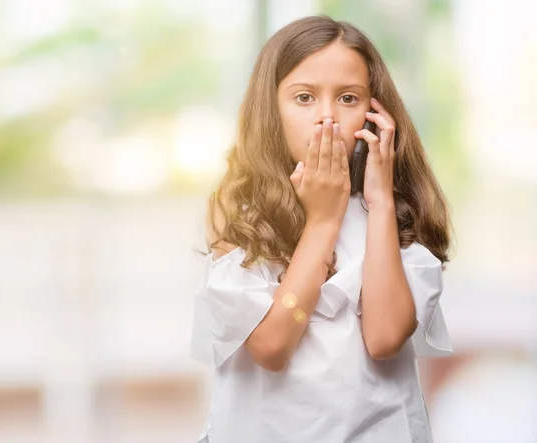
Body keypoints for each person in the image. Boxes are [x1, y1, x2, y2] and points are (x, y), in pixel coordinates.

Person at [190, 15, 454, 443]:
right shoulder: (241, 215)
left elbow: (386, 338)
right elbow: (272, 347)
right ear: (271, 109)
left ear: (375, 115)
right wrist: (323, 221)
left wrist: (381, 202)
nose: (326, 118)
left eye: (348, 98)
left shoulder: (397, 215)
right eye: (304, 97)